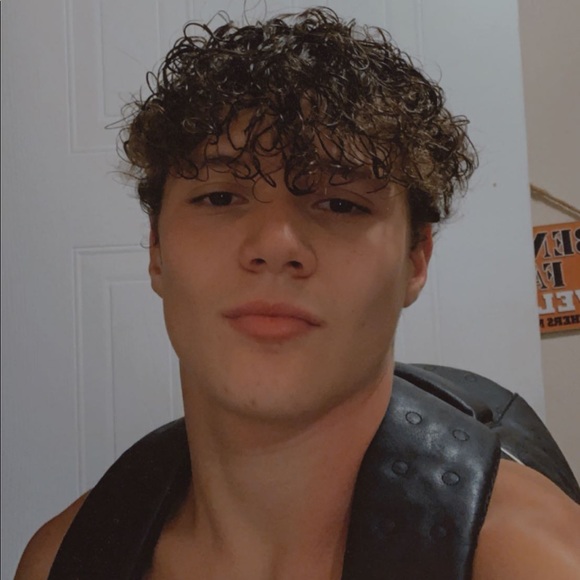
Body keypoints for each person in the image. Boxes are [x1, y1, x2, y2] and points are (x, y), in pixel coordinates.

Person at [16, 7, 580, 579]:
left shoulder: (538, 563)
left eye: (340, 203)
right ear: (157, 248)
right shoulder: (61, 561)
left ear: (416, 259)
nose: (275, 244)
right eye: (219, 197)